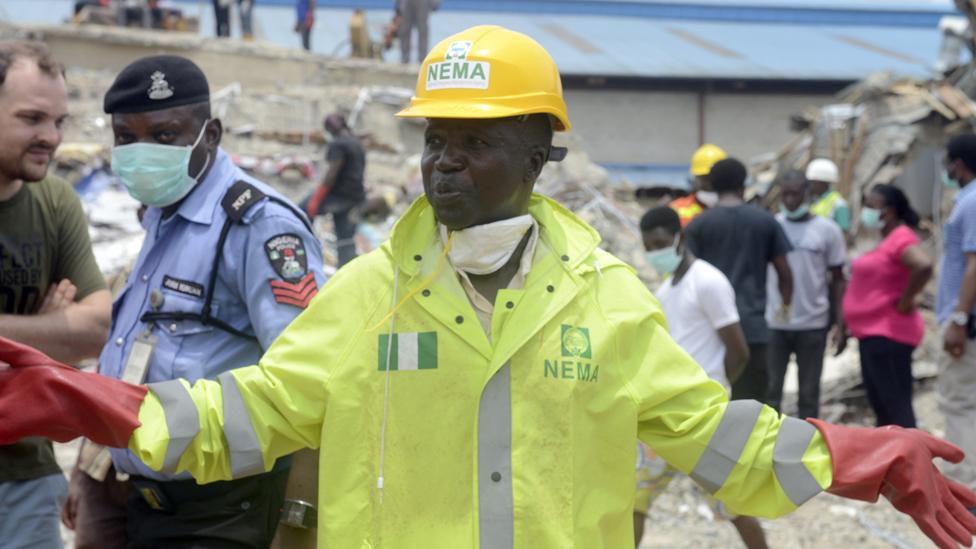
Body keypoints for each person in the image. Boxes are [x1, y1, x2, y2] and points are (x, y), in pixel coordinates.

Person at [2, 26, 976, 549]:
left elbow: (717, 440)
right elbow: (244, 415)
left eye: (476, 143)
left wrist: (851, 456)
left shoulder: (607, 300)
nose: (445, 165)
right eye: (436, 141)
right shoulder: (363, 296)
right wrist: (97, 404)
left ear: (541, 151)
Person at [63, 54, 326, 548]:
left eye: (164, 136)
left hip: (222, 508)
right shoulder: (164, 214)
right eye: (126, 137)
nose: (143, 152)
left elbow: (309, 382)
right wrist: (89, 467)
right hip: (139, 497)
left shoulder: (258, 227)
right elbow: (134, 351)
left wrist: (298, 519)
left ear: (211, 134)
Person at [0, 41, 111, 549]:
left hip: (27, 476)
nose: (52, 137)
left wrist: (15, 350)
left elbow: (95, 329)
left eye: (60, 121)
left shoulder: (57, 201)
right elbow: (70, 337)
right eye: (32, 119)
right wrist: (43, 340)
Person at [638, 206, 766, 549]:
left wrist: (716, 391)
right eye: (648, 246)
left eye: (660, 243)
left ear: (679, 236)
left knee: (733, 505)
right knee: (632, 500)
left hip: (704, 417)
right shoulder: (666, 290)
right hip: (665, 412)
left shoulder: (707, 282)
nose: (655, 252)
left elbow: (738, 351)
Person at [686, 158, 794, 403]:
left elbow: (687, 277)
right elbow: (785, 273)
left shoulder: (698, 225)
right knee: (758, 409)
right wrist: (785, 311)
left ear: (712, 185)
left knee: (714, 406)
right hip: (754, 328)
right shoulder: (765, 221)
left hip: (713, 331)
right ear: (743, 184)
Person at [843, 184, 932, 428]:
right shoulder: (884, 241)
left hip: (888, 333)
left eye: (871, 206)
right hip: (871, 334)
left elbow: (923, 265)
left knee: (897, 410)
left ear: (889, 212)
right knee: (883, 409)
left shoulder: (900, 237)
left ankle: (913, 463)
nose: (866, 211)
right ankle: (891, 463)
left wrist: (905, 301)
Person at [765, 170, 847, 419]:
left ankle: (807, 451)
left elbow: (838, 280)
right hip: (775, 324)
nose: (790, 201)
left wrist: (841, 324)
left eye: (795, 195)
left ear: (808, 193)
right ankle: (768, 452)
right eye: (785, 195)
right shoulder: (771, 226)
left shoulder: (827, 230)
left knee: (809, 395)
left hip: (812, 324)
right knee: (770, 394)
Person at [936, 133, 976, 490]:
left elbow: (974, 264)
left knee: (961, 405)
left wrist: (959, 319)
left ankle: (965, 491)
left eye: (947, 162)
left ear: (958, 164)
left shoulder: (971, 202)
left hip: (968, 323)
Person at [301, 112, 366, 267]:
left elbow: (331, 175)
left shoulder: (338, 144)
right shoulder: (356, 143)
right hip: (355, 197)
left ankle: (302, 255)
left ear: (330, 129)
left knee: (300, 213)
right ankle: (347, 274)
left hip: (339, 196)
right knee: (345, 239)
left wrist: (316, 200)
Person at [669, 143, 726, 227]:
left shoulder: (736, 209)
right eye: (705, 178)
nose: (710, 183)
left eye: (715, 177)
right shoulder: (677, 209)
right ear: (695, 178)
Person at [807, 158, 851, 233]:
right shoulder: (810, 200)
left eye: (812, 182)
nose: (809, 185)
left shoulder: (839, 204)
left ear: (821, 183)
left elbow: (844, 233)